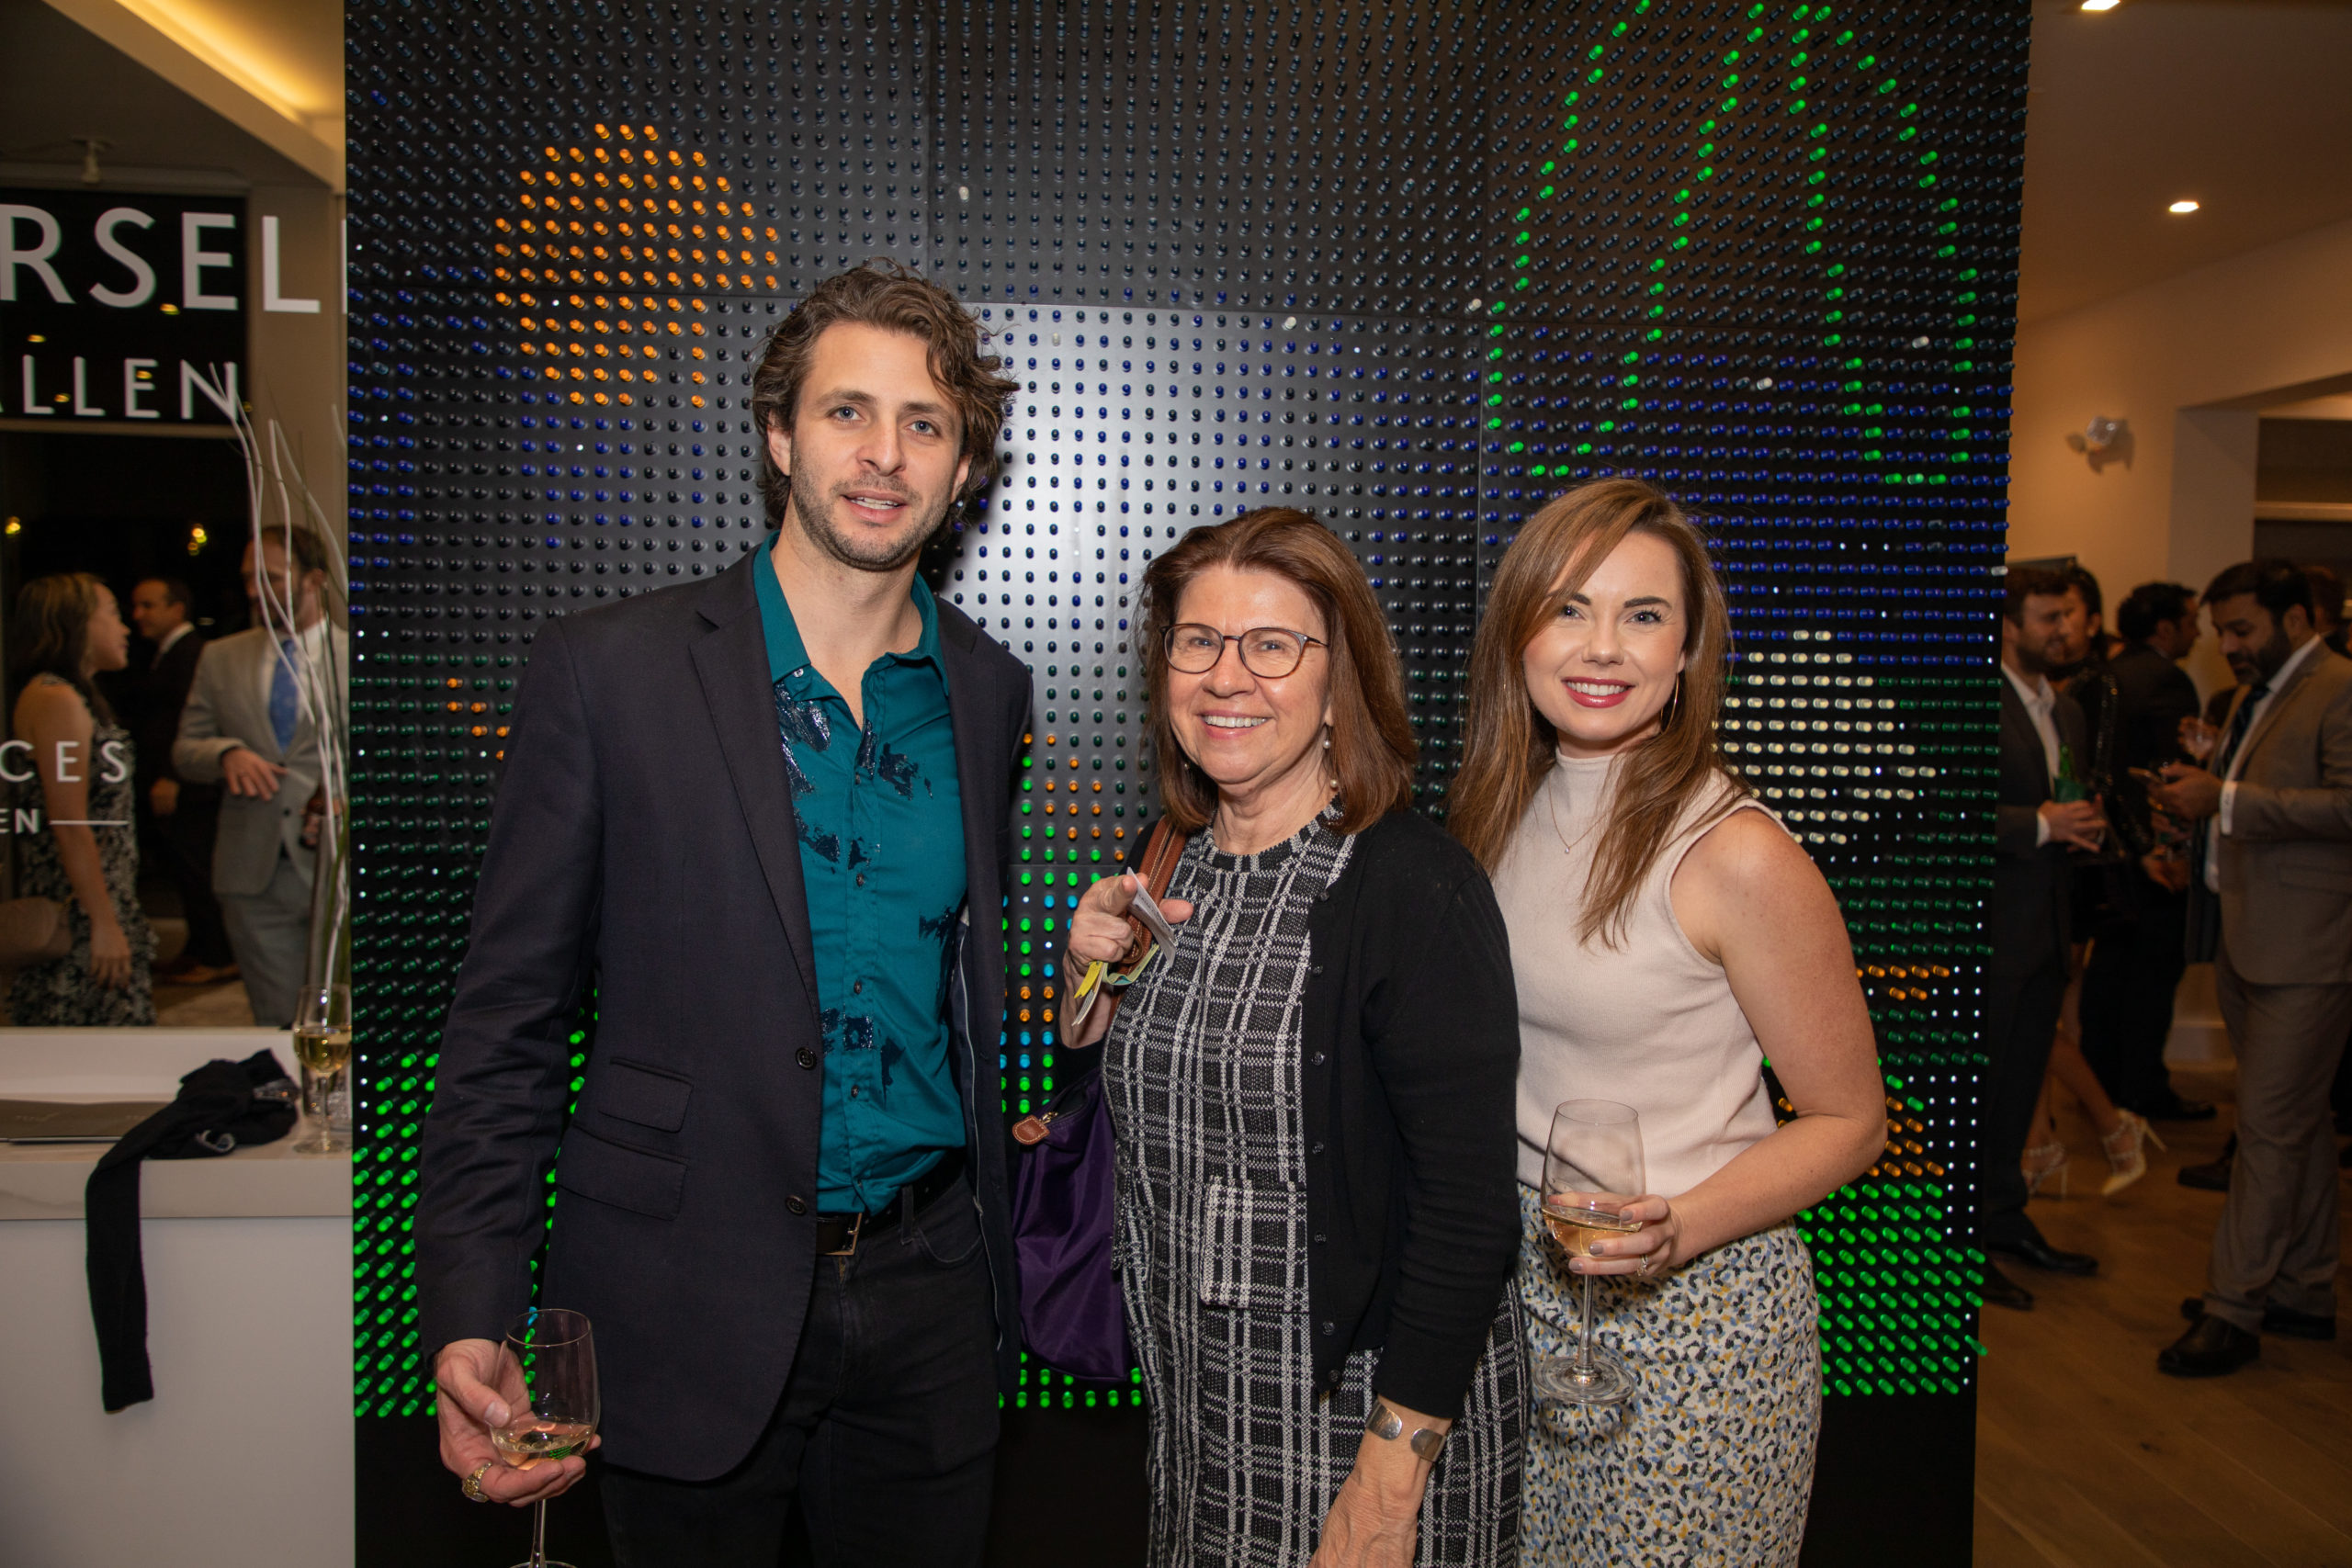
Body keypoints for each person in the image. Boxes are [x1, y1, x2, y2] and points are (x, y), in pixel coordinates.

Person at [414, 261, 1028, 1564]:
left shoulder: (986, 690)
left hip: (929, 1290)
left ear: (964, 467)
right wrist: (473, 1305)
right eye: (847, 411)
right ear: (778, 437)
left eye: (924, 423)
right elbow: (506, 1025)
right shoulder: (608, 673)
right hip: (679, 1291)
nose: (884, 453)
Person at [1063, 508, 1525, 1567]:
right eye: (1197, 641)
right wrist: (1086, 975)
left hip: (1363, 1420)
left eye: (1271, 646)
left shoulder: (1412, 886)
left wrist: (1387, 1489)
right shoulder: (1169, 855)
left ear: (1338, 679)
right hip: (1199, 1414)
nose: (1226, 678)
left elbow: (1466, 1216)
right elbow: (1117, 1072)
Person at [1447, 479, 1883, 1564]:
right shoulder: (1494, 810)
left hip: (1695, 1319)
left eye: (1642, 615)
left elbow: (1849, 1122)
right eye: (1568, 608)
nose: (1602, 647)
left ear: (1686, 651)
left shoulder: (1736, 853)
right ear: (1517, 633)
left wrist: (1677, 1229)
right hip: (1521, 1299)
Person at [2150, 559, 2352, 1376]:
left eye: (2242, 629)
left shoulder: (2339, 686)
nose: (2228, 645)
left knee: (2266, 1127)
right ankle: (2305, 1287)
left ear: (2297, 619)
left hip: (2311, 947)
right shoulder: (2252, 698)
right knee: (2299, 1125)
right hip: (2246, 937)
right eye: (2221, 631)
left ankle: (2234, 1306)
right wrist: (2210, 779)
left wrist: (2225, 797)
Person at [1984, 566, 2104, 1311]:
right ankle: (1961, 1245)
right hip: (1991, 937)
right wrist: (2039, 824)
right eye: (2049, 617)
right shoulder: (1976, 703)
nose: (2066, 629)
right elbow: (1942, 810)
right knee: (1982, 1094)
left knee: (2022, 1088)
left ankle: (2005, 1217)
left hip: (2048, 934)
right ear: (2008, 626)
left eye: (2070, 615)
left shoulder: (2070, 710)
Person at [172, 528, 346, 1027]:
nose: (254, 591)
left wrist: (344, 800)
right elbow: (185, 749)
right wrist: (225, 753)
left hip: (338, 872)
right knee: (276, 1022)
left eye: (270, 578)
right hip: (253, 874)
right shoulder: (220, 657)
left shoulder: (356, 656)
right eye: (248, 578)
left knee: (344, 1021)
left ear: (314, 580)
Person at [2077, 581, 2208, 1124]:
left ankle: (2100, 1084)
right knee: (2151, 977)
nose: (2199, 634)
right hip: (2148, 858)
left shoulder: (2101, 677)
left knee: (2108, 972)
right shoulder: (2166, 682)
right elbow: (2167, 779)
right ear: (2166, 628)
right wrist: (2159, 849)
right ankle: (2142, 1088)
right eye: (2192, 622)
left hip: (2104, 854)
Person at [6, 574, 155, 1025]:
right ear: (75, 623)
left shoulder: (72, 696)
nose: (125, 627)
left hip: (93, 903)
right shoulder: (57, 699)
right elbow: (69, 821)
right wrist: (102, 923)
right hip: (78, 914)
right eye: (112, 613)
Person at [127, 577, 235, 985]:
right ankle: (199, 948)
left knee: (196, 869)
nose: (138, 615)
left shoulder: (193, 653)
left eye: (148, 605)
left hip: (192, 786)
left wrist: (172, 777)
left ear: (177, 608)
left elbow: (191, 722)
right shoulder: (164, 654)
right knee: (185, 869)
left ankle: (215, 954)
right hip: (175, 779)